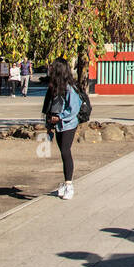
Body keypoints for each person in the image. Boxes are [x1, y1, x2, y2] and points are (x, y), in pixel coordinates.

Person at [43, 58, 81, 199]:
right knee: (62, 152)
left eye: (53, 67)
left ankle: (69, 184)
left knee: (66, 151)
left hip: (68, 124)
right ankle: (65, 183)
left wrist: (60, 117)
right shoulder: (54, 87)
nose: (51, 69)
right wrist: (50, 123)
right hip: (58, 125)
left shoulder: (69, 88)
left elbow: (74, 108)